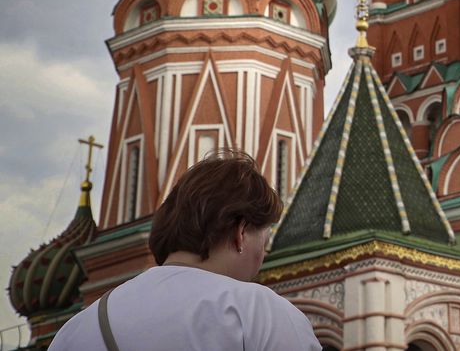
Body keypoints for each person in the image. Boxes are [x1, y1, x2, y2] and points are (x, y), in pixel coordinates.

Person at [50, 150, 320, 351]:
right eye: (264, 240)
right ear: (240, 232)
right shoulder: (257, 311)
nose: (263, 256)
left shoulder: (75, 331)